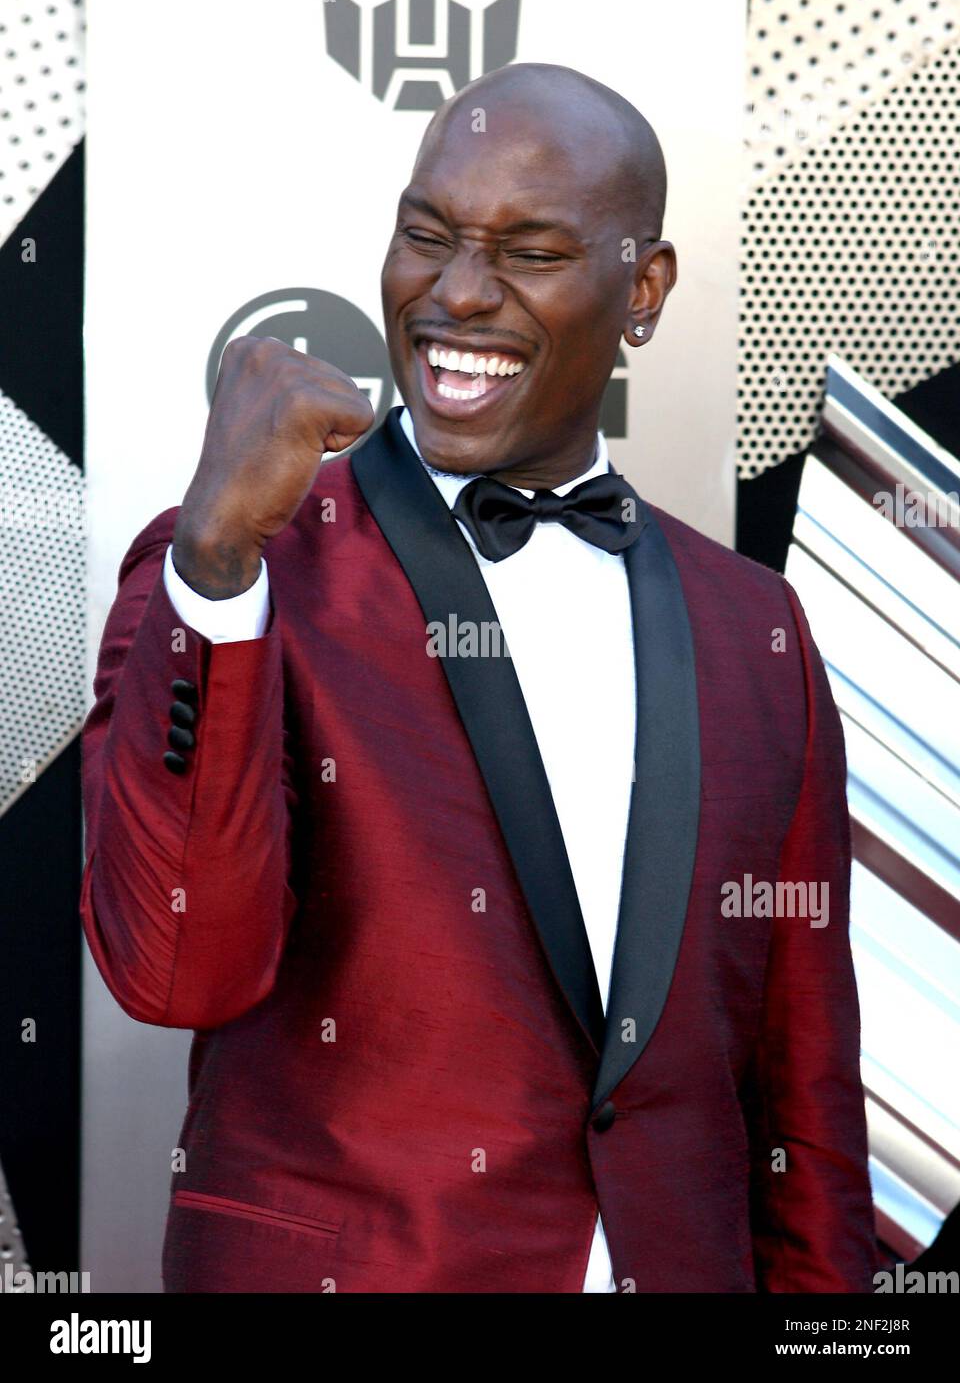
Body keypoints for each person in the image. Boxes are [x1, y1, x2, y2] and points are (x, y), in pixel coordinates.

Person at [81, 62, 878, 1292]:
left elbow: (806, 1091)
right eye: (427, 236)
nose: (456, 294)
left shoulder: (754, 628)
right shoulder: (239, 569)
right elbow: (175, 966)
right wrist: (218, 557)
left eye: (531, 252)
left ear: (644, 289)